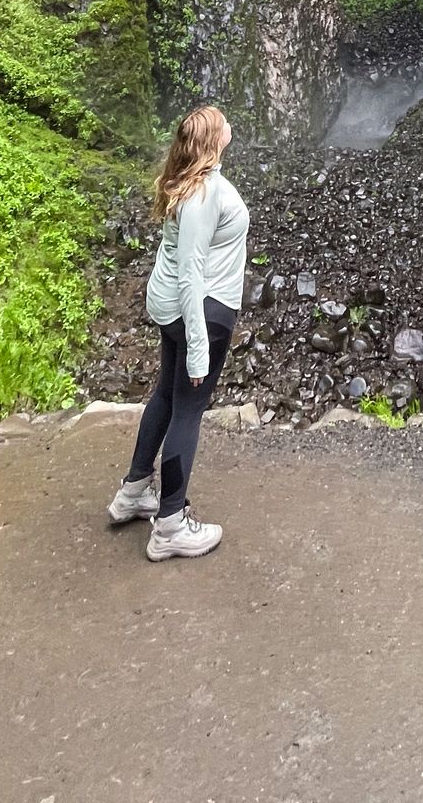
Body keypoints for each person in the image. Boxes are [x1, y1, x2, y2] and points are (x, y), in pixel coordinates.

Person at [107, 104, 249, 559]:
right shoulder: (205, 194)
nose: (230, 124)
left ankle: (133, 493)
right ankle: (170, 525)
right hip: (199, 311)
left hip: (171, 306)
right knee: (189, 410)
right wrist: (199, 348)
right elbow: (190, 272)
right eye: (223, 122)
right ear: (213, 140)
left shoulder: (185, 181)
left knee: (166, 398)